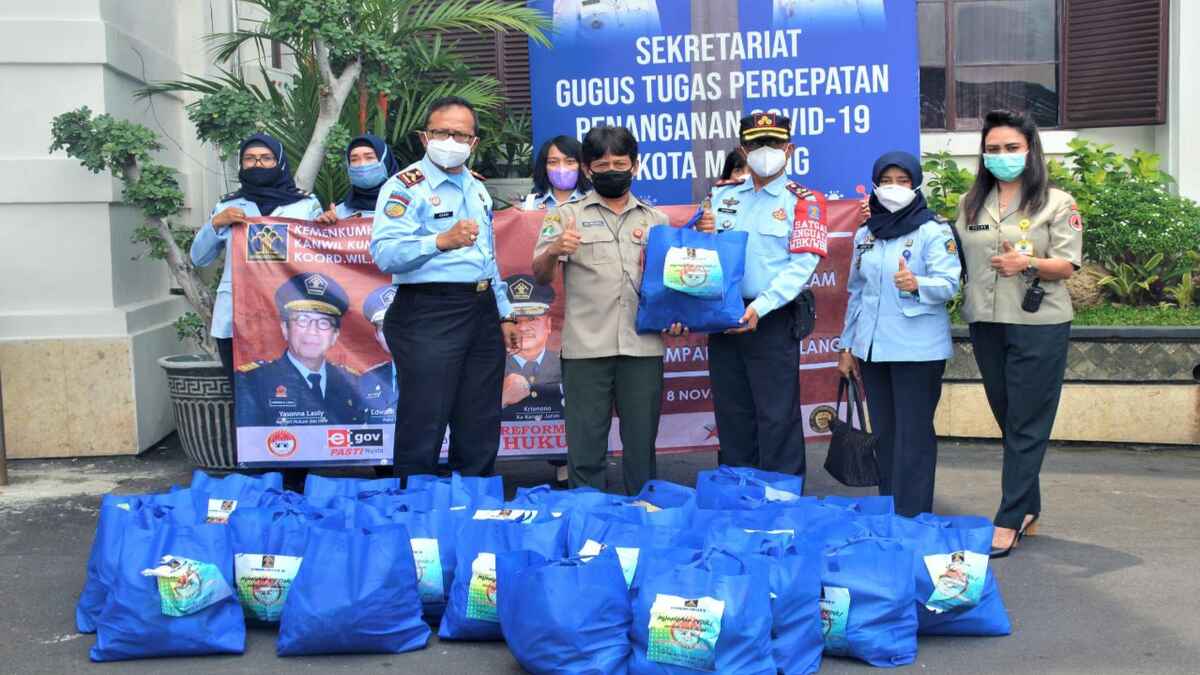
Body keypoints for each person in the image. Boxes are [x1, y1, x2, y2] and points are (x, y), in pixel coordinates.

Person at [531, 125, 693, 494]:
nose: (611, 170)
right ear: (588, 170)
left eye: (620, 163)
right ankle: (588, 519)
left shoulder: (656, 220)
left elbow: (672, 284)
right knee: (586, 447)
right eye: (602, 165)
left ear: (635, 166)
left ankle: (645, 517)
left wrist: (678, 318)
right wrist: (555, 249)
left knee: (641, 447)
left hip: (642, 346)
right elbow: (540, 276)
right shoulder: (565, 216)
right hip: (587, 349)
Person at [370, 96, 521, 481]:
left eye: (460, 134)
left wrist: (503, 311)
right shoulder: (405, 188)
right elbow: (385, 254)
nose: (450, 140)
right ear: (425, 137)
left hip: (481, 307)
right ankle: (416, 510)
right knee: (425, 416)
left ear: (473, 143)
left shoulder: (476, 187)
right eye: (442, 132)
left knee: (480, 417)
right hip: (428, 309)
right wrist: (439, 241)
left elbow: (487, 256)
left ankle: (473, 506)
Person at [955, 109, 1082, 557]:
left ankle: (1008, 519)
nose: (1002, 156)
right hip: (986, 322)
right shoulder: (971, 203)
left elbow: (1067, 265)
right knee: (1010, 420)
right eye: (993, 149)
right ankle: (1029, 506)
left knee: (1027, 422)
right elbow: (961, 263)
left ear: (1029, 151)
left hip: (1038, 324)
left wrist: (1026, 262)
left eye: (1011, 148)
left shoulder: (1056, 202)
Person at [838, 150, 961, 518]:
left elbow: (949, 284)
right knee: (886, 436)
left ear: (916, 184)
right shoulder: (866, 233)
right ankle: (891, 510)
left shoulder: (932, 230)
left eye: (902, 181)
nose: (894, 188)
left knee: (914, 438)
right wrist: (847, 346)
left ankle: (914, 515)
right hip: (873, 352)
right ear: (875, 185)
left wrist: (916, 282)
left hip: (918, 352)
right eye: (886, 181)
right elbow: (857, 292)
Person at [705, 112, 827, 477]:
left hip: (772, 317)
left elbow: (803, 266)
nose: (765, 151)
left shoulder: (807, 201)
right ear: (744, 149)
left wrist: (760, 306)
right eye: (757, 144)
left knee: (777, 416)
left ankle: (781, 502)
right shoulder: (721, 196)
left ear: (789, 149)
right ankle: (737, 498)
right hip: (723, 317)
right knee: (732, 414)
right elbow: (701, 255)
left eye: (773, 143)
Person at [190, 133, 322, 395]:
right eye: (249, 159)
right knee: (245, 398)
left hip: (292, 318)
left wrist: (327, 226)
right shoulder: (227, 206)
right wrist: (216, 224)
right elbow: (198, 258)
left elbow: (322, 256)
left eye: (265, 158)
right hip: (237, 318)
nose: (257, 164)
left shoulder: (305, 205)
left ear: (280, 162)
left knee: (293, 396)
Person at [235, 272, 362, 426]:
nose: (313, 331)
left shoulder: (352, 382)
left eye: (323, 323)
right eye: (302, 320)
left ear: (335, 335)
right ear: (285, 329)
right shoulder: (252, 381)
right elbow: (250, 442)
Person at [501, 274, 563, 422]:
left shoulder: (567, 365)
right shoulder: (487, 367)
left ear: (548, 325)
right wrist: (502, 399)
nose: (523, 327)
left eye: (532, 319)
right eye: (514, 320)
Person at [318, 133, 402, 222]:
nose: (362, 165)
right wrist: (326, 227)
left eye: (369, 157)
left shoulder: (409, 203)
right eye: (354, 160)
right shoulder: (339, 212)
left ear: (386, 162)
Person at [359, 285, 398, 425]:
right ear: (376, 336)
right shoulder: (366, 380)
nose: (392, 333)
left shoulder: (441, 376)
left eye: (401, 325)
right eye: (383, 328)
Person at [523, 136, 591, 211]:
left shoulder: (595, 201)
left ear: (582, 166)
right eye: (553, 162)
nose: (561, 169)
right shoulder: (529, 205)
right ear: (544, 167)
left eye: (570, 162)